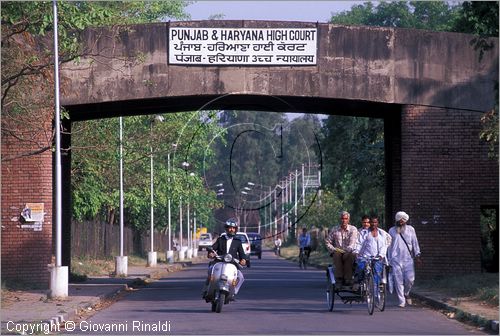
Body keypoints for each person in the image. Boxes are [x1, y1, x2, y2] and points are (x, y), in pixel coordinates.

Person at [201, 218, 247, 299]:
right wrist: (210, 253)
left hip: (232, 264)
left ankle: (233, 292)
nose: (231, 229)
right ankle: (206, 290)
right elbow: (212, 248)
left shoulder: (238, 241)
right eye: (229, 227)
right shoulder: (220, 239)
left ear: (235, 229)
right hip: (219, 262)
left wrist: (243, 260)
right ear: (226, 229)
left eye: (233, 228)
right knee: (210, 271)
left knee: (240, 277)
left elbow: (242, 254)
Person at [388, 211, 422, 308]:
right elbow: (389, 247)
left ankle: (406, 293)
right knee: (398, 281)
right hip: (395, 260)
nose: (401, 222)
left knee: (410, 280)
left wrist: (418, 255)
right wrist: (389, 259)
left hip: (408, 259)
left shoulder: (411, 229)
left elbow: (415, 242)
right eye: (399, 221)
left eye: (402, 221)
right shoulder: (391, 230)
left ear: (405, 221)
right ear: (396, 221)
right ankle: (401, 300)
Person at [325, 211, 358, 286]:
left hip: (349, 251)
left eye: (346, 219)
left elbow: (352, 243)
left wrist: (347, 252)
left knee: (350, 256)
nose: (344, 220)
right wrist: (333, 249)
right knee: (337, 254)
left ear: (348, 220)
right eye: (342, 218)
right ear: (340, 219)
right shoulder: (335, 229)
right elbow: (327, 241)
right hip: (338, 250)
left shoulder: (353, 229)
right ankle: (339, 278)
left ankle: (348, 278)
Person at [354, 215, 387, 288]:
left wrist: (381, 255)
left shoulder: (382, 233)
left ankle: (374, 289)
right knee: (360, 268)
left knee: (377, 272)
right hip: (365, 256)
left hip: (377, 257)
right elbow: (359, 243)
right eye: (372, 222)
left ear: (377, 223)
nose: (373, 224)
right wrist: (356, 252)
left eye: (375, 222)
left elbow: (384, 245)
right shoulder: (364, 233)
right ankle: (360, 282)